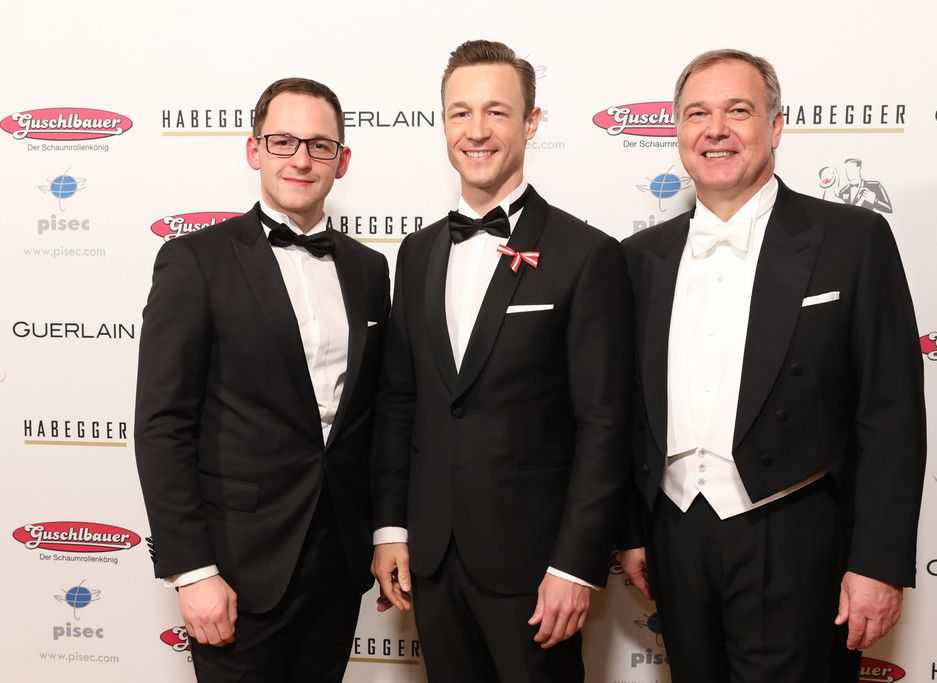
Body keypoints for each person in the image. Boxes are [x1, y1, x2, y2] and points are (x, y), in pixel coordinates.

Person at [618, 49, 926, 682]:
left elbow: (891, 413)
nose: (716, 129)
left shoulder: (852, 240)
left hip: (795, 534)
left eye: (738, 110)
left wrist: (878, 563)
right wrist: (629, 531)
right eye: (697, 113)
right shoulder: (636, 257)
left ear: (776, 125)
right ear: (677, 131)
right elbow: (620, 409)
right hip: (675, 533)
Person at [370, 40, 632, 682]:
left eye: (496, 112)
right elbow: (400, 401)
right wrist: (390, 529)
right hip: (432, 560)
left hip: (536, 567)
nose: (477, 131)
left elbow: (605, 423)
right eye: (460, 113)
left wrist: (575, 565)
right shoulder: (416, 253)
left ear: (531, 122)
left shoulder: (585, 253)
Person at [134, 77, 390, 682]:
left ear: (342, 161)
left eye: (320, 145)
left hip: (338, 561)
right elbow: (162, 424)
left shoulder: (370, 268)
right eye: (283, 141)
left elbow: (377, 414)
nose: (301, 159)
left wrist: (384, 531)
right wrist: (193, 571)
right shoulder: (196, 260)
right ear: (254, 150)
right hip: (236, 568)